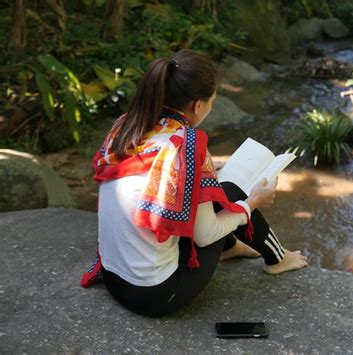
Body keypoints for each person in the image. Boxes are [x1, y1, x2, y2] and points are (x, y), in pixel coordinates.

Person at [81, 49, 308, 317]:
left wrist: (210, 171)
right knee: (233, 193)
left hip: (114, 279)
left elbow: (152, 171)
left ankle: (232, 248)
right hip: (155, 295)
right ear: (198, 106)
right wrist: (252, 203)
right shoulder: (187, 146)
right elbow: (204, 235)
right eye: (212, 101)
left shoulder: (128, 125)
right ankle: (278, 259)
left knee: (212, 190)